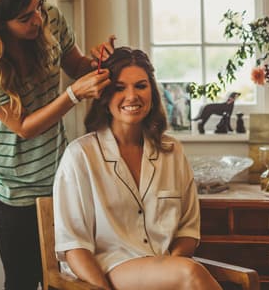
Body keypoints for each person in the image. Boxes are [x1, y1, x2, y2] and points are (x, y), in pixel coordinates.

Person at [0, 0, 115, 290]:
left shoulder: (49, 17)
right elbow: (23, 127)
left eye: (38, 6)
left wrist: (98, 63)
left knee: (61, 274)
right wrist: (74, 95)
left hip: (56, 171)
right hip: (9, 183)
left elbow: (75, 65)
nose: (38, 19)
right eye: (25, 17)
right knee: (23, 278)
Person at [52, 47, 222, 290]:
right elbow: (74, 247)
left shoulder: (172, 151)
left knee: (187, 273)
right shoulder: (80, 156)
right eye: (120, 88)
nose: (132, 96)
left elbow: (188, 229)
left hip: (167, 270)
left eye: (141, 86)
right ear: (104, 95)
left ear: (152, 91)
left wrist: (167, 273)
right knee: (191, 273)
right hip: (108, 269)